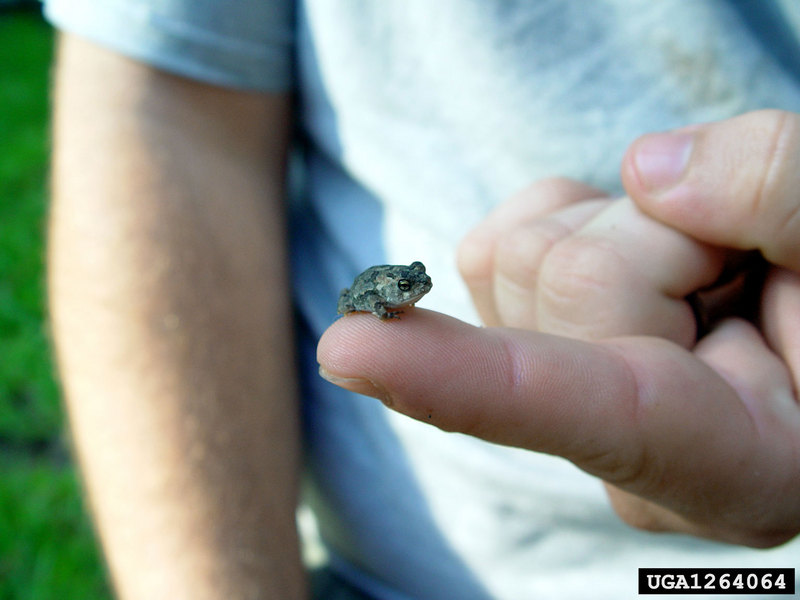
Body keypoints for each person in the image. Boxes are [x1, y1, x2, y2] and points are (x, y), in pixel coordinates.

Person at [44, 1, 800, 598]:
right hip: (398, 563)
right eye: (409, 286)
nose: (415, 289)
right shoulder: (390, 292)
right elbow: (167, 101)